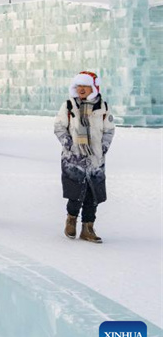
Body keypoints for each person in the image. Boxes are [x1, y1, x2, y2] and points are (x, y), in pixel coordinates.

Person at [54, 71, 115, 244]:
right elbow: (59, 127)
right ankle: (71, 219)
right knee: (75, 192)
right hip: (74, 160)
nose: (81, 89)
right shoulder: (69, 105)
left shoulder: (103, 107)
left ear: (93, 88)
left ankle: (88, 228)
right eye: (78, 85)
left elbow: (109, 130)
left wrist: (103, 148)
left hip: (95, 159)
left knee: (93, 195)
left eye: (85, 86)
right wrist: (70, 146)